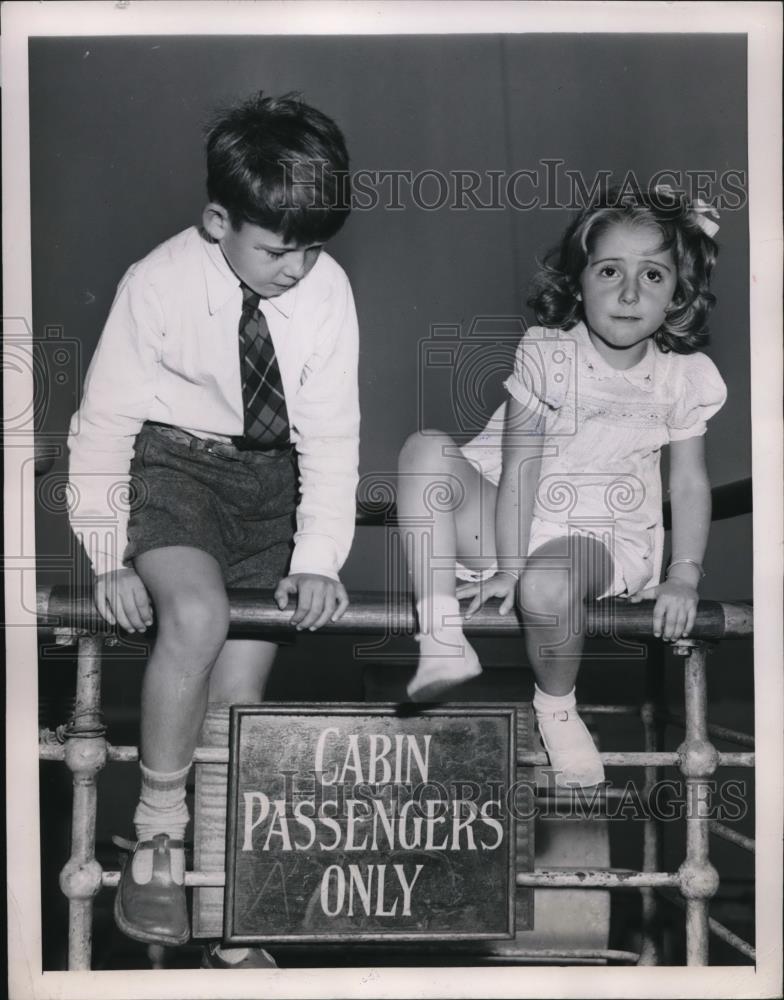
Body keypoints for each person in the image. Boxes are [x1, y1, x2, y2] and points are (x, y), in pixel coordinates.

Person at [67, 92, 359, 965]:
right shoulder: (155, 283)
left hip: (274, 488)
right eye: (278, 248)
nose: (297, 267)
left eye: (313, 247)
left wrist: (316, 559)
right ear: (216, 219)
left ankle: (227, 904)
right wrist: (109, 553)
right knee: (194, 618)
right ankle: (155, 836)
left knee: (237, 705)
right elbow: (104, 425)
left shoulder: (327, 291)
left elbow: (333, 436)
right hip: (176, 470)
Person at [398, 185, 726, 788]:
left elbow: (688, 479)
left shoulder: (683, 378)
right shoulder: (547, 353)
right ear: (578, 283)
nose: (630, 293)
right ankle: (440, 634)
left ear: (677, 294)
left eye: (653, 275)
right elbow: (519, 465)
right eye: (610, 271)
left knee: (547, 581)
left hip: (602, 537)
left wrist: (684, 574)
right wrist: (506, 565)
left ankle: (555, 707)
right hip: (513, 521)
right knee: (425, 448)